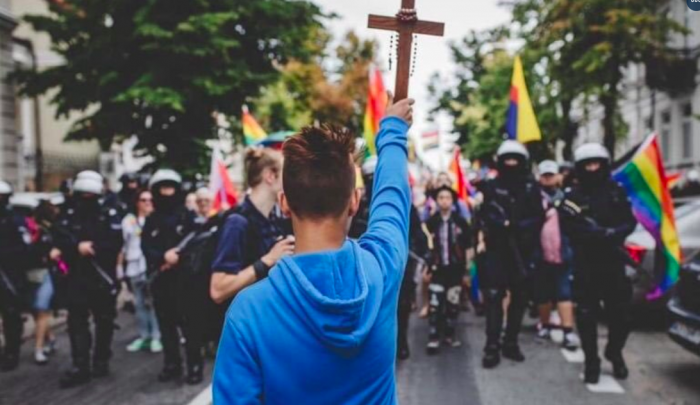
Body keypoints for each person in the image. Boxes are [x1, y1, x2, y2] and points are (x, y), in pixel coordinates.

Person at [213, 97, 414, 404]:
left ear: (284, 203)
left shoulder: (248, 312)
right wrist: (393, 129)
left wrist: (394, 128)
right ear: (354, 201)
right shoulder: (382, 266)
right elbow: (392, 196)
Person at [559, 143, 637, 385]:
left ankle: (614, 352)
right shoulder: (572, 197)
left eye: (597, 164)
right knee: (586, 316)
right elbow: (569, 226)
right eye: (588, 165)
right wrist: (595, 235)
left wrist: (613, 233)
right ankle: (591, 361)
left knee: (622, 317)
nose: (593, 169)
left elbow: (629, 221)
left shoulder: (616, 191)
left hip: (613, 263)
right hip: (586, 264)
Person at [53, 171, 123, 388]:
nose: (86, 198)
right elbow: (59, 237)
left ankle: (101, 360)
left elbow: (116, 242)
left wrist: (94, 248)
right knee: (77, 323)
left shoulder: (109, 213)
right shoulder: (68, 213)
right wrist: (76, 247)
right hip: (77, 277)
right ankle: (80, 365)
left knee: (105, 321)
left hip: (102, 276)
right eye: (82, 194)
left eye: (90, 195)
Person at [478, 140, 544, 369]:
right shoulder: (491, 186)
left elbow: (538, 217)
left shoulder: (531, 187)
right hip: (497, 250)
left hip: (522, 251)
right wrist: (500, 224)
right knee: (494, 299)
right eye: (507, 160)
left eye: (515, 160)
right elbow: (485, 214)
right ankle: (492, 346)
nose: (511, 164)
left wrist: (518, 226)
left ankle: (511, 342)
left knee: (519, 299)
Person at [141, 169, 203, 384]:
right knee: (166, 327)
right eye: (162, 188)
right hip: (161, 280)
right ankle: (172, 364)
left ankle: (194, 365)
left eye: (170, 188)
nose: (167, 192)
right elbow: (146, 247)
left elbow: (199, 243)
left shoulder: (188, 216)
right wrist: (162, 257)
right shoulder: (152, 219)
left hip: (185, 282)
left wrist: (180, 256)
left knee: (190, 326)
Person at [209, 148, 291, 307]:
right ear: (270, 176)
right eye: (287, 173)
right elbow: (218, 290)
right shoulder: (237, 223)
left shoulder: (272, 220)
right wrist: (268, 260)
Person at [533, 160, 580, 350]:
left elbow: (577, 219)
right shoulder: (533, 198)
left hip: (563, 253)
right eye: (545, 176)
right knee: (542, 294)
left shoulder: (568, 197)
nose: (548, 179)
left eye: (551, 175)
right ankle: (544, 325)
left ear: (558, 176)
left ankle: (568, 331)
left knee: (564, 292)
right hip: (540, 254)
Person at [425, 185, 472, 354]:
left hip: (455, 270)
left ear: (452, 201)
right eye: (441, 198)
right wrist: (427, 267)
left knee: (453, 303)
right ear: (436, 201)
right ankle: (434, 336)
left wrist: (467, 270)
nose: (444, 201)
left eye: (447, 198)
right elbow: (425, 246)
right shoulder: (431, 222)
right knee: (435, 304)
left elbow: (468, 246)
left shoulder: (460, 222)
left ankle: (449, 334)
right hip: (437, 270)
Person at [14, 196, 58, 365]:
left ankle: (38, 348)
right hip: (27, 273)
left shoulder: (45, 230)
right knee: (36, 310)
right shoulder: (20, 230)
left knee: (41, 309)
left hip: (44, 273)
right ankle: (50, 338)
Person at [121, 189, 162, 354]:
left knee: (152, 303)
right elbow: (123, 245)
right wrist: (120, 267)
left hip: (150, 266)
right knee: (139, 303)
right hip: (134, 265)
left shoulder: (157, 220)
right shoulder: (129, 221)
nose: (147, 203)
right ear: (137, 202)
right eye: (143, 200)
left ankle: (156, 336)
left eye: (150, 200)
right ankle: (144, 335)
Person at [0, 181, 32, 372]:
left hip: (10, 275)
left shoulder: (15, 220)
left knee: (11, 315)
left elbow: (24, 250)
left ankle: (12, 352)